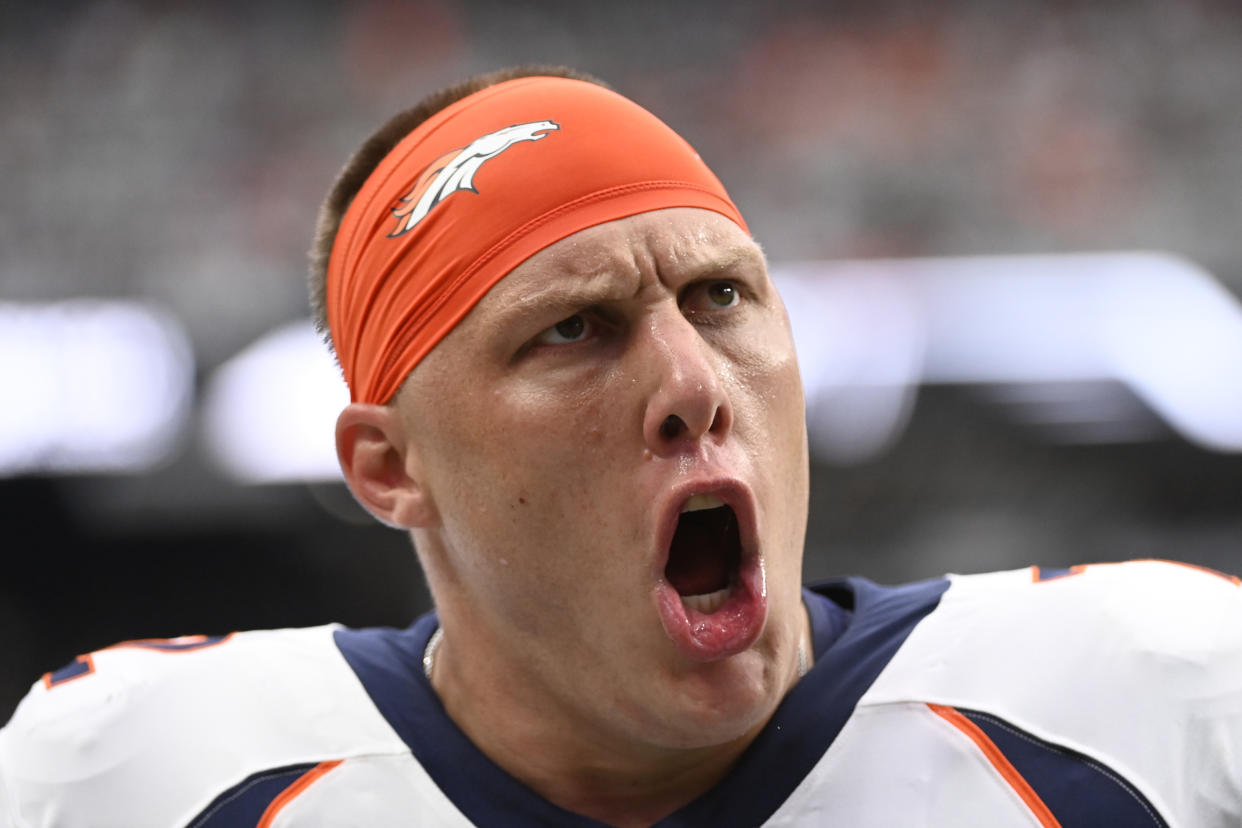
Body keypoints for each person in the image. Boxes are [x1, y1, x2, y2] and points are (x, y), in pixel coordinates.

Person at [2, 65, 1241, 828]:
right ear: (390, 468)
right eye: (574, 330)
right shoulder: (132, 779)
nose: (692, 386)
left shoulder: (1155, 708)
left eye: (721, 298)